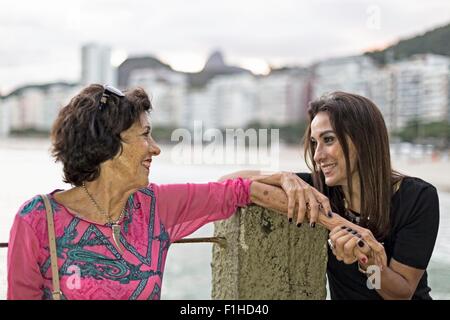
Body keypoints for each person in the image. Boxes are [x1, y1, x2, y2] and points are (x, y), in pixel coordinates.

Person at [7, 84, 328, 300]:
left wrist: (285, 177)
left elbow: (234, 192)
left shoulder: (154, 206)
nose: (156, 149)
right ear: (109, 145)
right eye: (145, 135)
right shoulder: (36, 220)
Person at [224, 92, 440, 300]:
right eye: (314, 143)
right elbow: (225, 183)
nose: (318, 155)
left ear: (363, 140)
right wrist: (281, 177)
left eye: (328, 140)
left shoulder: (417, 198)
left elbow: (400, 295)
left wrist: (367, 263)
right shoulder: (316, 191)